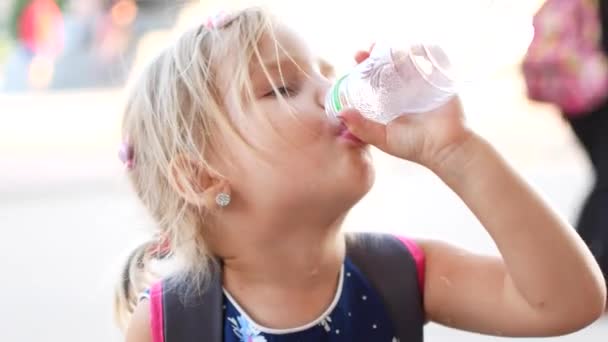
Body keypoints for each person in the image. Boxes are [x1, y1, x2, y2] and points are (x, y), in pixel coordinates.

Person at [115, 7, 606, 342]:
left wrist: (458, 152)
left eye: (324, 74)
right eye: (283, 88)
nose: (333, 93)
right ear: (203, 178)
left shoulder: (401, 272)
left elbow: (567, 302)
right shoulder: (169, 323)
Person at [562, 0, 608, 295]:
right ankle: (579, 271)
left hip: (581, 94)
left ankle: (578, 268)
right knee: (605, 185)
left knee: (603, 181)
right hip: (596, 97)